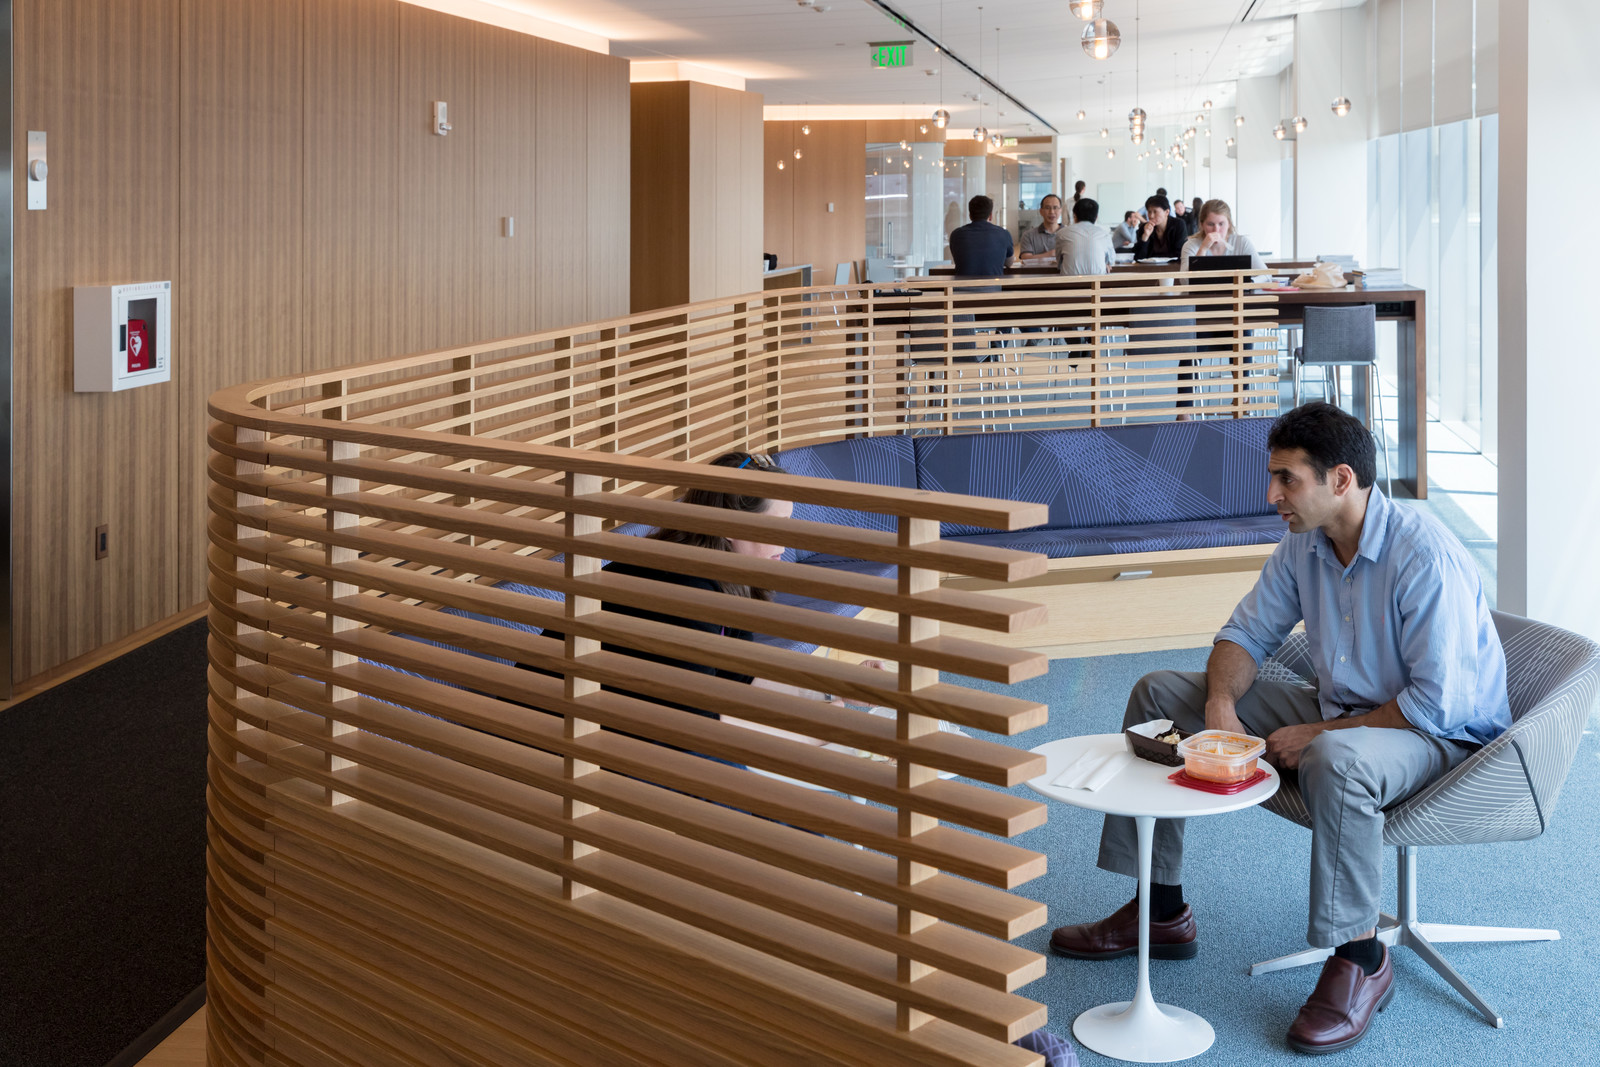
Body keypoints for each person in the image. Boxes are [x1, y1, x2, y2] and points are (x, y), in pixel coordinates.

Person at [1050, 402, 1510, 1056]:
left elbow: (1436, 702)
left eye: (1287, 479)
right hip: (1348, 711)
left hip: (1436, 734)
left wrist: (1322, 732)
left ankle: (1361, 956)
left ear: (1341, 479)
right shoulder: (1306, 543)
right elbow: (1245, 633)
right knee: (1160, 692)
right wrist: (1219, 706)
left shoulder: (1422, 556)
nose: (1272, 495)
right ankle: (1161, 909)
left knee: (1340, 758)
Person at [1179, 198, 1268, 272]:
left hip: (1237, 293)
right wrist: (1203, 249)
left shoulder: (1242, 243)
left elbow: (1265, 274)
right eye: (1210, 224)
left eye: (1221, 224)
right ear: (1202, 225)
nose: (1216, 230)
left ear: (1229, 224)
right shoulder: (1191, 245)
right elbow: (1185, 280)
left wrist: (1248, 283)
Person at [948, 194, 1013, 279]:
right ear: (990, 215)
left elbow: (959, 259)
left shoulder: (956, 235)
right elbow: (1009, 263)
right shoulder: (1004, 234)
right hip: (993, 290)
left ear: (970, 215)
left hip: (960, 290)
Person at [1055, 197, 1114, 276]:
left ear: (1074, 216)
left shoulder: (1062, 233)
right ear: (1096, 217)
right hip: (1097, 286)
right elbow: (1111, 261)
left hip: (1069, 286)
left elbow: (1059, 264)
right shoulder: (1104, 234)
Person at [1132, 194, 1186, 260]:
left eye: (1155, 212)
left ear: (1167, 212)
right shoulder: (1144, 228)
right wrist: (1145, 236)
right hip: (1149, 268)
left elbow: (1180, 253)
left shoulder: (1178, 225)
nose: (1151, 216)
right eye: (1149, 212)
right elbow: (1139, 257)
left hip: (1173, 268)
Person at [1018, 194, 1068, 262]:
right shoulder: (1028, 235)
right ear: (1041, 211)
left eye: (1055, 208)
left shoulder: (1068, 234)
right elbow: (1025, 258)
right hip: (1037, 272)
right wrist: (1050, 254)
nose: (1052, 212)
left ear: (1060, 210)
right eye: (1047, 208)